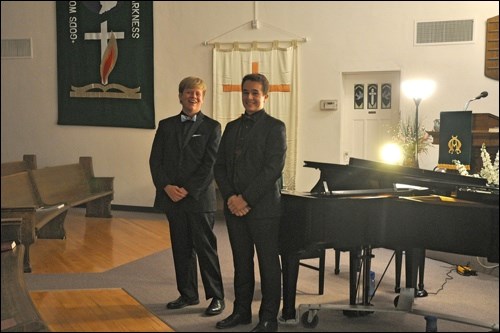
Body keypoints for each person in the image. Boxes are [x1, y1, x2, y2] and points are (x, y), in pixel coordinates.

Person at [214, 73, 287, 332]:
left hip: (264, 209)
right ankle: (241, 311)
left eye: (255, 93)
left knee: (268, 265)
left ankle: (268, 318)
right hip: (235, 209)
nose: (250, 97)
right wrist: (231, 198)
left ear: (265, 96)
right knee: (241, 263)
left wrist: (245, 199)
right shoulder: (232, 127)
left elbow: (272, 169)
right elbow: (220, 167)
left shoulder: (275, 127)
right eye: (246, 92)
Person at [149, 76, 225, 317]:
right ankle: (188, 294)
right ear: (180, 95)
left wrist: (188, 190)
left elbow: (210, 165)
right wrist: (166, 187)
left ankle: (216, 297)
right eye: (189, 92)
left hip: (199, 199)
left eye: (198, 94)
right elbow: (155, 161)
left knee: (206, 249)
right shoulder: (165, 125)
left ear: (203, 98)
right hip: (171, 197)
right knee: (181, 248)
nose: (193, 97)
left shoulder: (212, 127)